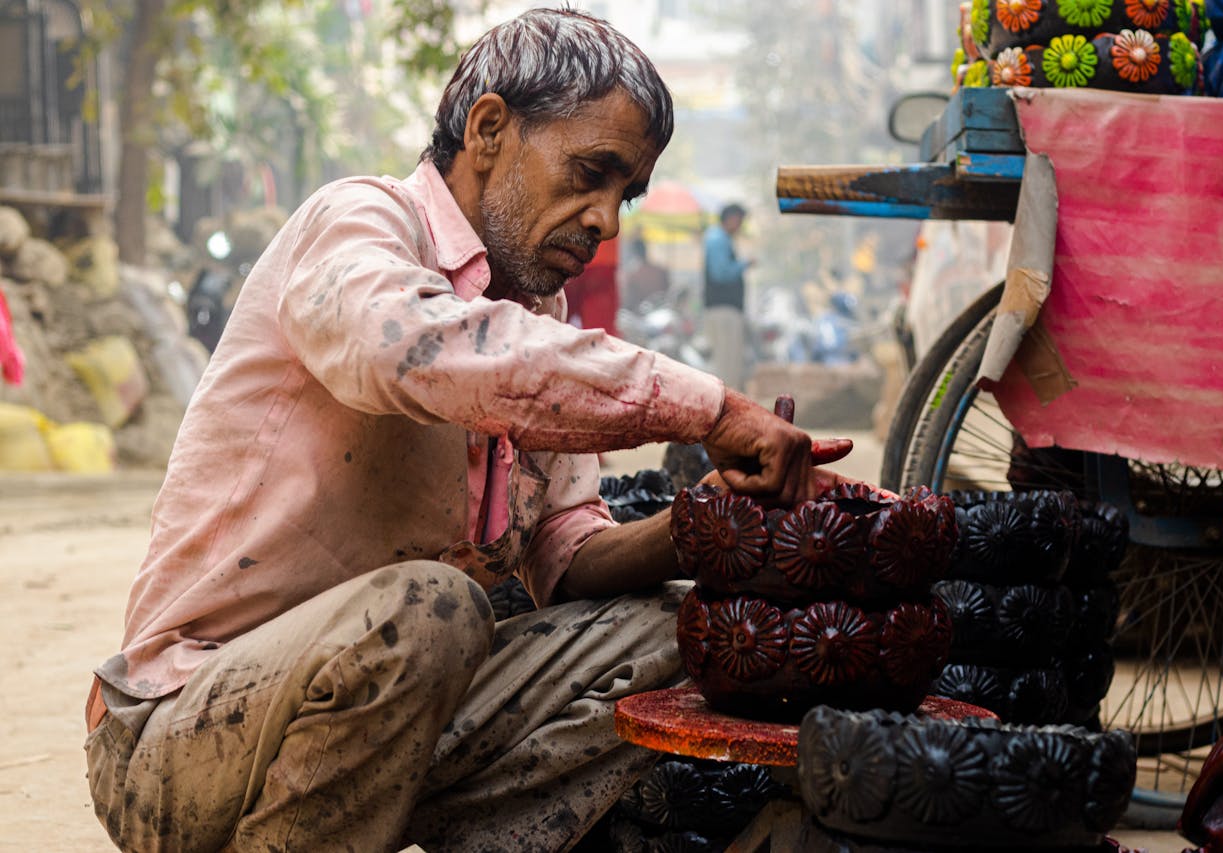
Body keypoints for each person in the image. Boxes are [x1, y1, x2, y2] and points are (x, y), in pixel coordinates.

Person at [83, 9, 850, 852]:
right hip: (183, 727)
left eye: (623, 194)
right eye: (591, 174)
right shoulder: (359, 225)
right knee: (432, 605)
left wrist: (712, 521)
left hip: (389, 710)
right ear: (488, 128)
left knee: (683, 630)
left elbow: (567, 552)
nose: (606, 222)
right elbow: (415, 352)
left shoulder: (534, 322)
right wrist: (711, 409)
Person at [702, 202, 752, 391]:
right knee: (726, 365)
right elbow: (720, 273)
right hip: (724, 309)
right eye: (739, 220)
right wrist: (743, 264)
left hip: (723, 309)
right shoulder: (718, 239)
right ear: (731, 219)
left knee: (727, 363)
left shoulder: (718, 239)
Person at [621, 234, 670, 312]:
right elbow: (668, 293)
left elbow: (629, 301)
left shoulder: (633, 275)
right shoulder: (660, 271)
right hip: (661, 312)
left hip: (642, 316)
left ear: (634, 253)